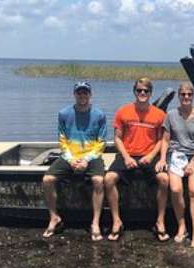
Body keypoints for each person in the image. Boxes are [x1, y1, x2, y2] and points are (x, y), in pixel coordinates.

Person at [104, 77, 169, 242]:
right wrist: (126, 157)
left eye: (146, 91)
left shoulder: (160, 114)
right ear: (134, 92)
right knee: (109, 178)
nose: (142, 93)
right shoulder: (123, 111)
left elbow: (162, 140)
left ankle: (160, 221)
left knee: (164, 179)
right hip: (127, 154)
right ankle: (117, 221)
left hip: (148, 155)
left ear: (150, 93)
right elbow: (117, 139)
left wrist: (151, 156)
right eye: (139, 90)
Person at [42, 81, 107, 240]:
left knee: (98, 180)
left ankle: (95, 222)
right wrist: (71, 159)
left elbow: (102, 142)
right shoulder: (64, 113)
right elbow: (62, 139)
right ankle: (54, 218)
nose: (82, 95)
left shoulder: (99, 115)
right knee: (47, 179)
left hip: (92, 155)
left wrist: (86, 159)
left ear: (90, 95)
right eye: (79, 92)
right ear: (74, 94)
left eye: (85, 93)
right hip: (69, 155)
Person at [156, 82, 194, 248]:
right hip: (176, 155)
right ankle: (182, 226)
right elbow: (165, 139)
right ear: (179, 96)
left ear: (193, 96)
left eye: (189, 95)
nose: (186, 97)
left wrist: (193, 162)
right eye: (183, 95)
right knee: (176, 189)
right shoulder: (171, 115)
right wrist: (163, 158)